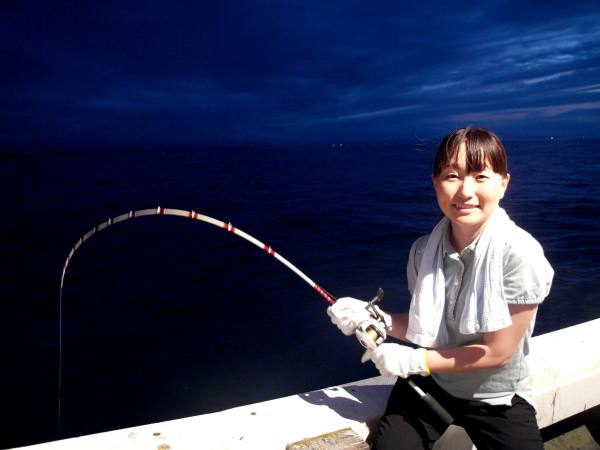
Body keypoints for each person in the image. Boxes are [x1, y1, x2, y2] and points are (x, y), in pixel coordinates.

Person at [328, 126, 554, 450]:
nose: (465, 191)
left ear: (504, 183)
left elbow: (499, 353)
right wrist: (376, 319)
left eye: (480, 176)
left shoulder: (520, 253)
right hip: (433, 383)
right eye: (451, 176)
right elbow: (426, 328)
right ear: (435, 183)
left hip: (495, 393)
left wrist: (416, 362)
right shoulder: (423, 251)